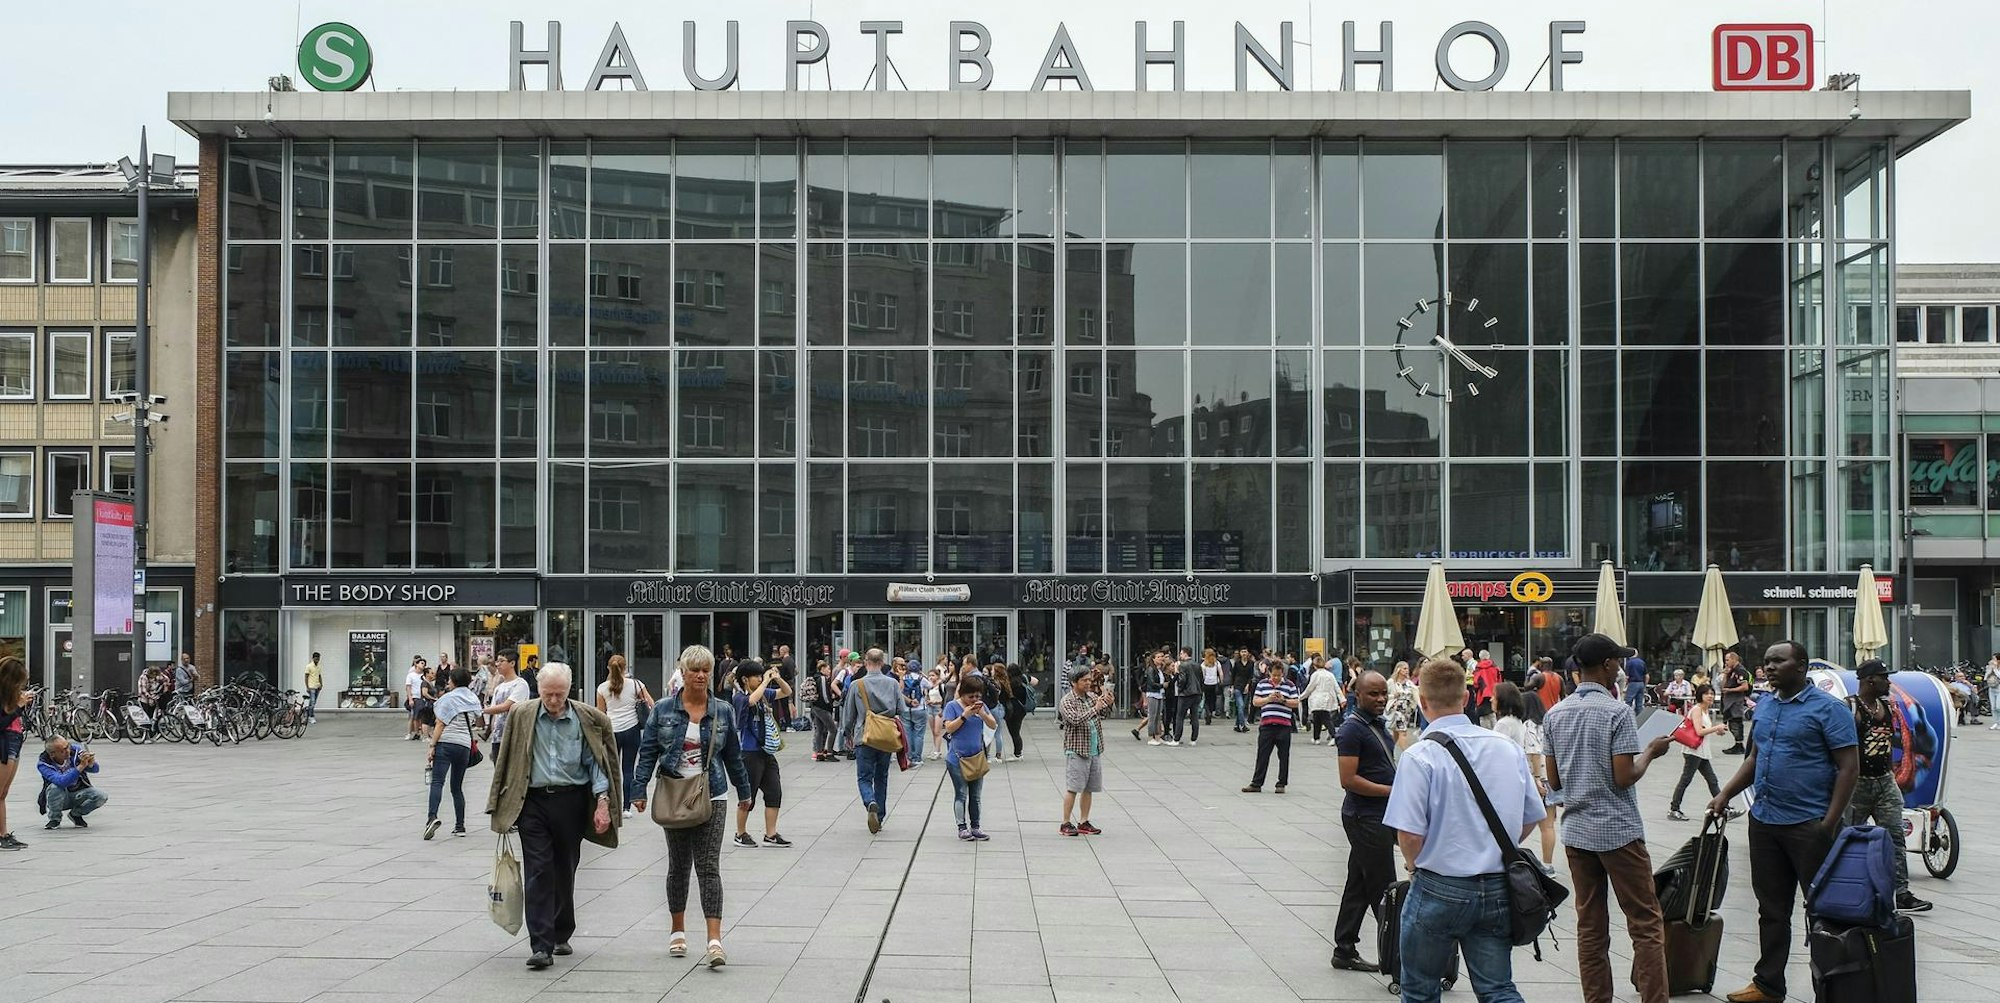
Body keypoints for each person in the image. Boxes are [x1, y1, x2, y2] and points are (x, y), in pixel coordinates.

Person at [1383, 657, 1545, 1003]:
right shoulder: (1507, 749)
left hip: (1439, 885)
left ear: (1422, 702)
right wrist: (1497, 844)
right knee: (1498, 988)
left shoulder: (1419, 756)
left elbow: (1409, 834)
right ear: (1468, 698)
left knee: (1420, 988)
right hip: (1499, 885)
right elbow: (1533, 815)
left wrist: (1415, 867)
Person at [1706, 641, 1859, 1003]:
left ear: (1801, 665)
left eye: (1779, 661)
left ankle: (1832, 988)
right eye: (1767, 662)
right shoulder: (1765, 705)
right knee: (1771, 909)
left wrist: (1829, 822)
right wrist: (1724, 794)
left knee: (1823, 911)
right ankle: (1768, 984)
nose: (1770, 667)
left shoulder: (1829, 710)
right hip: (1765, 821)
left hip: (1810, 824)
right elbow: (1754, 758)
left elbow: (1849, 767)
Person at [1542, 633, 1675, 1003]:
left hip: (1578, 832)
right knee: (1646, 923)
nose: (1620, 667)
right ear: (1606, 666)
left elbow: (1554, 781)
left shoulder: (1555, 714)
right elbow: (1624, 776)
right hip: (1618, 831)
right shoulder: (1618, 712)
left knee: (1590, 926)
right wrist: (1651, 751)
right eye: (1617, 661)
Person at [485, 661, 620, 971]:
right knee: (539, 870)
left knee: (565, 867)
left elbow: (596, 764)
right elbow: (507, 758)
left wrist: (603, 803)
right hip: (532, 803)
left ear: (569, 691)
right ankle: (541, 944)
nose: (554, 701)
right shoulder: (522, 714)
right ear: (539, 691)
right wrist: (500, 802)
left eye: (559, 695)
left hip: (571, 802)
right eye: (548, 694)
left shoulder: (586, 718)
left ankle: (562, 930)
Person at [630, 646, 752, 968]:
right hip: (674, 793)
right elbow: (648, 750)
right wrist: (638, 788)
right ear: (682, 673)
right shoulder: (663, 710)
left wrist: (745, 791)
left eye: (705, 670)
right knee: (679, 865)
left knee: (709, 866)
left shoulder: (722, 710)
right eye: (694, 670)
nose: (700, 675)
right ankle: (677, 930)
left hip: (712, 794)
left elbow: (734, 757)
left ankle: (714, 941)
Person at [1843, 659, 1932, 912]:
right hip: (1856, 785)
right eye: (1884, 677)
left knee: (1895, 838)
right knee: (1849, 839)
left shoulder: (1886, 706)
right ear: (1870, 680)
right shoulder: (1849, 708)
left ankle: (1901, 893)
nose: (1888, 682)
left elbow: (1894, 740)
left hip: (1884, 782)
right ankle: (1847, 889)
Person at [1330, 670, 1396, 972]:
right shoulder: (1351, 730)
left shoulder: (1378, 725)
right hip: (1365, 817)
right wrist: (1393, 791)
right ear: (1358, 695)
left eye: (1384, 693)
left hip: (1378, 815)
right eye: (1373, 694)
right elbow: (1348, 780)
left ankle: (1344, 949)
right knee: (1384, 889)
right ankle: (1398, 959)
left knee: (1358, 883)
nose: (1381, 698)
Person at [1491, 682, 1558, 873]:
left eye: (1494, 697)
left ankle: (1510, 856)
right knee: (1548, 825)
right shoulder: (1542, 724)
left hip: (1535, 778)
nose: (1491, 699)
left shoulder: (1510, 724)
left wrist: (1535, 778)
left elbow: (1532, 753)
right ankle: (1548, 864)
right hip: (1547, 776)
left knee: (1518, 821)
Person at [839, 648, 904, 833]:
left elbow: (849, 714)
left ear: (866, 662)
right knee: (882, 777)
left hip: (864, 736)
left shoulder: (857, 685)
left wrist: (847, 733)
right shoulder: (892, 684)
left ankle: (870, 801)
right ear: (882, 663)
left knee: (864, 777)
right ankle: (880, 816)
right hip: (885, 736)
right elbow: (901, 708)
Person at [729, 660, 792, 848]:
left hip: (766, 751)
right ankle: (740, 833)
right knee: (748, 795)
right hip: (749, 752)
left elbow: (786, 692)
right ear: (745, 679)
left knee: (774, 792)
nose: (759, 678)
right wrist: (765, 681)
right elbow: (750, 701)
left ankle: (771, 834)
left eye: (760, 675)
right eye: (756, 676)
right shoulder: (739, 697)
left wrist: (777, 679)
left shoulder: (763, 694)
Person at [593, 655, 654, 819]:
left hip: (612, 730)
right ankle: (627, 807)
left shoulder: (602, 688)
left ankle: (613, 805)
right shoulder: (636, 684)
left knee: (612, 771)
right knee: (628, 769)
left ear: (608, 668)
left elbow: (600, 713)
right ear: (625, 667)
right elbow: (651, 703)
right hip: (632, 729)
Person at [424, 667, 483, 839]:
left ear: (454, 681)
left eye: (450, 679)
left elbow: (440, 724)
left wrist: (432, 746)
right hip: (464, 745)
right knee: (457, 788)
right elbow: (478, 718)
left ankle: (432, 818)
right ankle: (460, 826)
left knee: (437, 782)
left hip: (446, 743)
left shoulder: (447, 698)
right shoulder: (473, 698)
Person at [1058, 664, 1114, 837]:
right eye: (1084, 680)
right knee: (1073, 787)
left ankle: (1084, 821)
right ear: (1074, 682)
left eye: (1089, 679)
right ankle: (1065, 823)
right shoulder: (1067, 700)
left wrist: (1107, 705)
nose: (1088, 683)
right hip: (1077, 749)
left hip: (1094, 748)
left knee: (1089, 788)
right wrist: (1095, 709)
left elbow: (1101, 715)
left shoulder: (1090, 696)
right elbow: (1075, 719)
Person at [940, 672, 995, 841]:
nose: (974, 699)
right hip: (957, 759)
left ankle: (976, 826)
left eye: (978, 695)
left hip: (977, 757)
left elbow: (993, 724)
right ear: (962, 693)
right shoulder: (952, 706)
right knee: (961, 793)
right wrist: (965, 716)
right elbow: (949, 728)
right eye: (971, 696)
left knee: (976, 795)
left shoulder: (981, 706)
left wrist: (983, 714)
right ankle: (962, 827)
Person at [1666, 684, 1729, 822]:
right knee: (1686, 780)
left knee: (1712, 780)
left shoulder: (1705, 711)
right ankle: (1674, 809)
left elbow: (1704, 730)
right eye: (1707, 694)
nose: (1710, 696)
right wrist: (1716, 727)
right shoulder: (1697, 710)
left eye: (1712, 693)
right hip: (1693, 751)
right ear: (1700, 695)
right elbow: (1699, 731)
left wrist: (1718, 731)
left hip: (1701, 751)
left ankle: (1724, 807)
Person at [1242, 660, 1301, 794]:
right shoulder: (1262, 684)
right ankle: (1256, 783)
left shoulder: (1289, 685)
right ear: (1269, 673)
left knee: (1284, 756)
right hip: (1267, 725)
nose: (1276, 678)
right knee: (1262, 755)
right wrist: (1268, 699)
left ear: (1283, 674)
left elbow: (1296, 703)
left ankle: (1281, 783)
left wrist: (1283, 700)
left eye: (1278, 675)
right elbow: (1255, 702)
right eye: (1274, 675)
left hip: (1284, 726)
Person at [36, 736, 107, 830]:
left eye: (68, 746)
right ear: (52, 754)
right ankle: (54, 819)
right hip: (59, 798)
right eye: (63, 750)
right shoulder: (43, 764)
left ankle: (76, 814)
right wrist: (80, 766)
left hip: (78, 792)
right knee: (55, 787)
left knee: (101, 796)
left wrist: (91, 763)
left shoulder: (76, 751)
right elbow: (61, 782)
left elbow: (95, 769)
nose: (68, 750)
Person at [0, 657, 31, 849]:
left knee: (3, 792)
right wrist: (18, 708)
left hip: (15, 741)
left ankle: (3, 833)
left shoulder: (11, 697)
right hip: (5, 743)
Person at [483, 650, 531, 748]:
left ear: (512, 663)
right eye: (497, 661)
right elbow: (494, 713)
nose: (497, 664)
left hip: (514, 737)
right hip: (498, 737)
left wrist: (481, 710)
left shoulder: (520, 684)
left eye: (501, 661)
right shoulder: (499, 687)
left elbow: (506, 706)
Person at [1301, 656, 1343, 745]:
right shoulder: (1330, 674)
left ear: (1315, 665)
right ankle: (1316, 737)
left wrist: (1301, 697)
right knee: (1319, 718)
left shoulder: (1315, 675)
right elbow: (1336, 687)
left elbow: (1310, 688)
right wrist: (1342, 698)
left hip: (1317, 699)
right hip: (1328, 699)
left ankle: (1333, 736)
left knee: (1322, 719)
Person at [803, 659, 839, 762]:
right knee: (833, 729)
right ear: (822, 669)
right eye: (828, 668)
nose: (830, 670)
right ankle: (830, 753)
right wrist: (830, 703)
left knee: (819, 729)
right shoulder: (822, 678)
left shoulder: (815, 677)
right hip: (822, 707)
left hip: (814, 706)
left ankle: (819, 752)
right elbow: (824, 695)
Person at [1718, 651, 1751, 754]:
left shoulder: (1740, 671)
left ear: (1734, 659)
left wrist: (1730, 690)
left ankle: (1739, 745)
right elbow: (1723, 686)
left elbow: (1745, 687)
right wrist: (1725, 674)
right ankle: (1737, 744)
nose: (1726, 662)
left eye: (1727, 660)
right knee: (1731, 722)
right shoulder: (1731, 671)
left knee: (1736, 722)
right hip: (1728, 701)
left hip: (1736, 701)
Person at [898, 658, 929, 766]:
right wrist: (923, 674)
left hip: (906, 709)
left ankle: (909, 756)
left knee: (908, 734)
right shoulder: (922, 679)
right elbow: (931, 685)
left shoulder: (904, 678)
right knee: (919, 734)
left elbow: (899, 691)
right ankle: (917, 758)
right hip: (920, 708)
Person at [1001, 662, 1035, 760]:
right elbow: (1036, 681)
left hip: (1012, 709)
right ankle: (1018, 752)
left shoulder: (1009, 682)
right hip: (1022, 709)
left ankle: (1018, 754)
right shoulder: (1023, 678)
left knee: (1014, 732)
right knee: (1016, 731)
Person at [1385, 661, 1418, 748]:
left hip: (1406, 711)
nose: (1407, 670)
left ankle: (1388, 750)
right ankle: (1406, 754)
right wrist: (1393, 696)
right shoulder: (1392, 682)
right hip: (1396, 710)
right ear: (1398, 669)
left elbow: (1415, 693)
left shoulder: (1409, 683)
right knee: (1403, 732)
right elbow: (1384, 694)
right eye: (1404, 668)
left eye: (1407, 668)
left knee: (1396, 733)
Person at [405, 657, 428, 741]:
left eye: (424, 664)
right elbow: (408, 687)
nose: (423, 665)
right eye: (421, 663)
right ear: (416, 664)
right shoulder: (411, 675)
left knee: (421, 717)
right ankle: (411, 733)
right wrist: (410, 698)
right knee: (413, 716)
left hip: (423, 698)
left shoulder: (424, 676)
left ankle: (420, 733)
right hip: (415, 697)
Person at [302, 652, 324, 723]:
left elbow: (319, 676)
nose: (318, 660)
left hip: (317, 686)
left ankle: (306, 714)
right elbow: (306, 677)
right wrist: (307, 687)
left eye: (318, 659)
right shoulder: (309, 666)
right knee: (312, 702)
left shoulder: (319, 666)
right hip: (311, 687)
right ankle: (311, 717)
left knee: (313, 703)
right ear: (313, 658)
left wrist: (321, 684)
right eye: (316, 658)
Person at [1986, 654, 2000, 731]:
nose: (1993, 661)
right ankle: (1996, 723)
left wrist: (1995, 669)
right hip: (1992, 688)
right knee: (1993, 707)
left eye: (1995, 659)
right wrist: (1989, 669)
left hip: (1999, 688)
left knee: (1998, 706)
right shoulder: (1990, 667)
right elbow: (1986, 677)